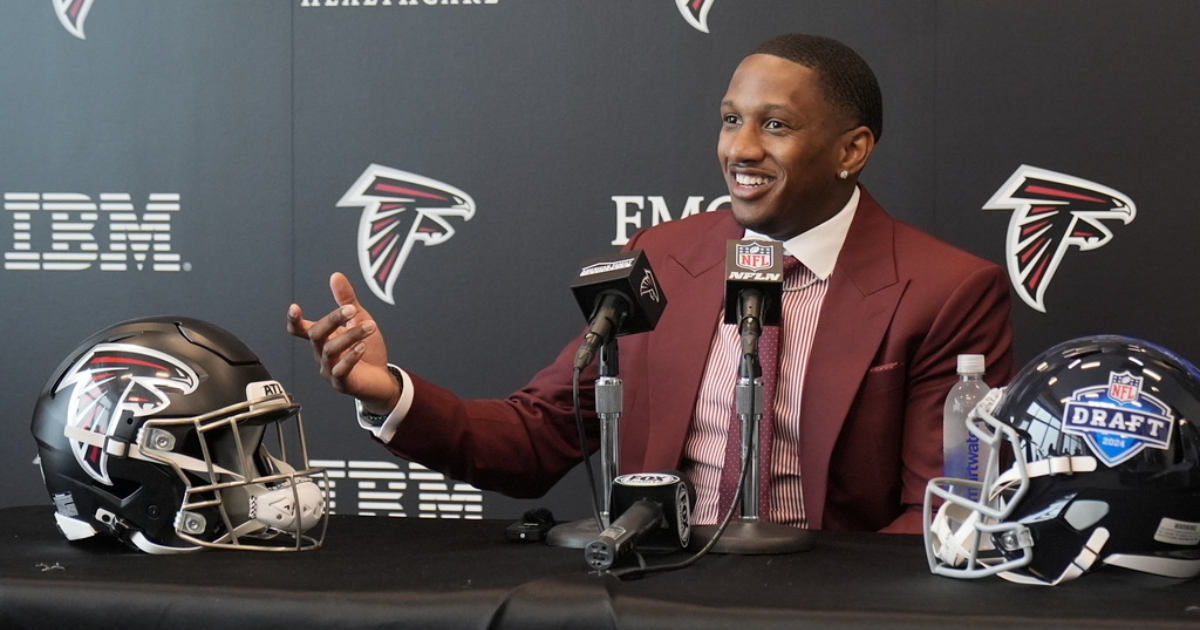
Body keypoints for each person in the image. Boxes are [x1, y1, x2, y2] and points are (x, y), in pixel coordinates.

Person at [287, 33, 1015, 534]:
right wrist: (387, 392)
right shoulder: (664, 258)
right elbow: (541, 435)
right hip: (657, 594)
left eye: (777, 125)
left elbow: (942, 510)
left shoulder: (946, 291)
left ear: (853, 149)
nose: (742, 149)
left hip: (825, 603)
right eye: (731, 120)